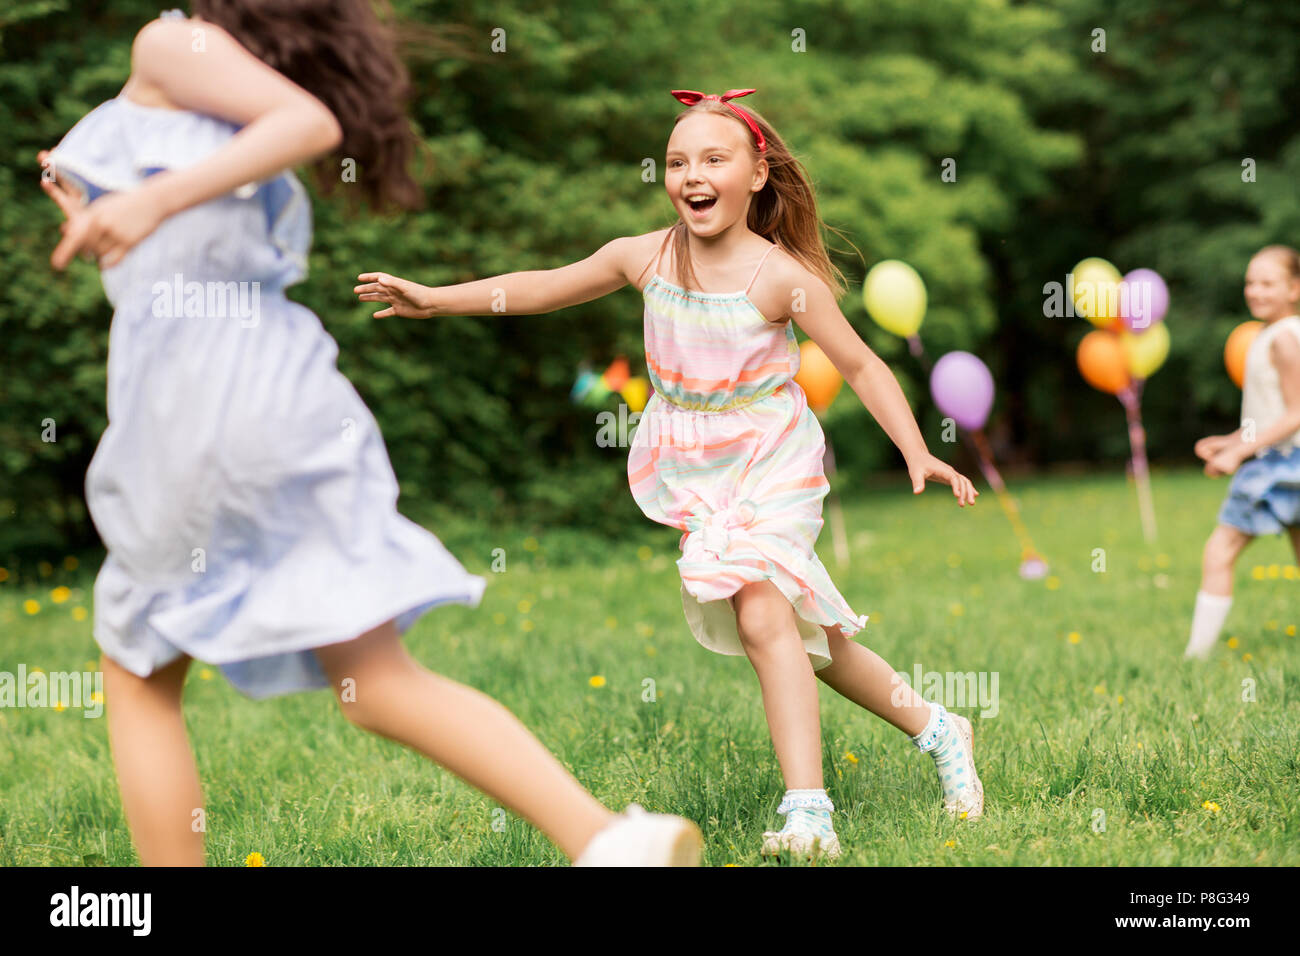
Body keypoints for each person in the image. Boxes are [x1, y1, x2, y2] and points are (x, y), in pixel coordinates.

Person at [39, 4, 700, 867]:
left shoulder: (170, 42)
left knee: (138, 673)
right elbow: (173, 249)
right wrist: (98, 212)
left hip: (193, 403)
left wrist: (147, 198)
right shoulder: (224, 110)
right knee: (377, 683)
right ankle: (608, 839)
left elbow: (310, 124)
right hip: (287, 392)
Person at [357, 88, 985, 859]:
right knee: (803, 637)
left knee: (761, 615)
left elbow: (859, 364)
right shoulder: (645, 256)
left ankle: (809, 812)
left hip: (772, 455)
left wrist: (917, 450)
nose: (692, 174)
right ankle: (938, 727)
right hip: (695, 466)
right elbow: (539, 287)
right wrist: (434, 301)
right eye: (677, 161)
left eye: (713, 159)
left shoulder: (782, 278)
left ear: (757, 173)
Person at [1187, 245, 1300, 659]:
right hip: (1285, 458)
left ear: (1295, 288)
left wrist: (1240, 455)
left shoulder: (1285, 339)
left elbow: (1296, 414)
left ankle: (1196, 656)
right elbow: (1271, 415)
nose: (1255, 291)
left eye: (1268, 283)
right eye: (1250, 282)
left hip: (1281, 465)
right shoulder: (1276, 334)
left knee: (1221, 549)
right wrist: (1231, 441)